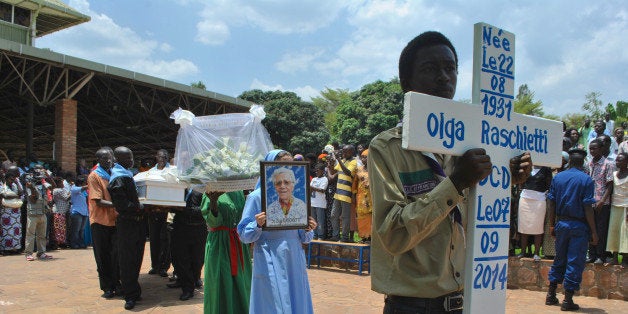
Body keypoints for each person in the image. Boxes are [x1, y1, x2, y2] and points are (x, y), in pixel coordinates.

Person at [368, 31, 532, 313]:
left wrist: (505, 180)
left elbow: (476, 216)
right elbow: (393, 234)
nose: (444, 77)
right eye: (430, 69)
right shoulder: (388, 147)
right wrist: (455, 183)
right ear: (407, 83)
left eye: (450, 68)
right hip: (413, 306)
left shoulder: (471, 145)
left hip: (466, 301)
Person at [237, 149, 318, 314]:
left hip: (294, 255)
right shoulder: (256, 197)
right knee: (272, 302)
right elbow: (244, 235)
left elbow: (304, 236)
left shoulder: (299, 198)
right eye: (280, 164)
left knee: (296, 298)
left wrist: (308, 228)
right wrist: (257, 224)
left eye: (289, 165)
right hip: (269, 254)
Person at [545, 149, 597, 311]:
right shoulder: (586, 180)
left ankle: (551, 294)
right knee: (575, 260)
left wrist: (552, 225)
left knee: (559, 258)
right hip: (579, 226)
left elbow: (551, 203)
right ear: (582, 163)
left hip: (562, 224)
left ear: (569, 162)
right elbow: (587, 207)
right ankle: (568, 300)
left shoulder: (558, 178)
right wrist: (594, 231)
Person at [107, 147, 146, 310]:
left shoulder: (127, 175)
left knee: (136, 257)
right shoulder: (119, 178)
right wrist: (140, 207)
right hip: (127, 222)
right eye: (128, 158)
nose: (131, 160)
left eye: (131, 157)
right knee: (128, 259)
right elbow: (122, 205)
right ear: (118, 159)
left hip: (136, 222)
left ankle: (134, 290)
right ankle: (129, 295)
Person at [202, 190, 252, 313]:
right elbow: (212, 222)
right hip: (219, 244)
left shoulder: (239, 192)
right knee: (221, 283)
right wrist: (213, 201)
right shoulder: (209, 191)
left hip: (238, 241)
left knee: (242, 283)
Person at [88, 147, 120, 298]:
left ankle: (116, 283)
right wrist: (118, 204)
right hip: (100, 221)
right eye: (105, 159)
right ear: (98, 160)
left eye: (110, 158)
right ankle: (107, 286)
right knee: (102, 256)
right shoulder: (95, 176)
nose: (108, 161)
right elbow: (98, 201)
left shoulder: (113, 174)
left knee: (115, 255)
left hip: (114, 221)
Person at [167, 188, 207, 301]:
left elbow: (205, 210)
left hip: (198, 229)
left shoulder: (203, 190)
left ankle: (194, 280)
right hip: (181, 228)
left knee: (197, 260)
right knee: (181, 259)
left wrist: (184, 208)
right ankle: (187, 288)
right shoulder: (181, 190)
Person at [586, 139, 614, 264]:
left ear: (601, 149)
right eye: (590, 149)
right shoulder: (589, 163)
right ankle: (591, 254)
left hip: (602, 203)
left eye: (594, 148)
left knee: (601, 229)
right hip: (589, 202)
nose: (592, 151)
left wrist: (602, 201)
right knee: (590, 229)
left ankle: (600, 255)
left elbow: (610, 185)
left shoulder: (608, 164)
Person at [517, 166, 552, 261]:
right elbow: (520, 181)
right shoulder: (527, 166)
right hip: (525, 199)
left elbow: (549, 185)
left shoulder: (547, 169)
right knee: (523, 226)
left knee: (538, 227)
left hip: (539, 200)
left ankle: (536, 253)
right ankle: (522, 252)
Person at [147, 149, 171, 277]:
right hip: (154, 210)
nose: (163, 158)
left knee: (165, 239)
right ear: (156, 157)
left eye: (165, 156)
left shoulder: (172, 171)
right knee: (154, 238)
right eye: (161, 156)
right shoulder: (151, 172)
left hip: (167, 210)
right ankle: (154, 265)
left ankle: (164, 266)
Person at [24, 166, 56, 261]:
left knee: (42, 235)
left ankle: (41, 253)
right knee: (30, 234)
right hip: (33, 214)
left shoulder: (44, 184)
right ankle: (28, 253)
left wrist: (47, 176)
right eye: (39, 172)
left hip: (42, 213)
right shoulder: (29, 185)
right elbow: (33, 200)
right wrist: (32, 187)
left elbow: (53, 186)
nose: (41, 173)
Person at [329, 144, 358, 242]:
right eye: (343, 151)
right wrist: (331, 163)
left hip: (346, 194)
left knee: (345, 217)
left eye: (346, 151)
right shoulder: (343, 160)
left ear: (352, 152)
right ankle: (336, 235)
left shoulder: (354, 162)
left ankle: (344, 237)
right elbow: (334, 171)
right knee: (333, 215)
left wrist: (339, 159)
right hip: (338, 193)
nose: (344, 153)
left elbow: (348, 172)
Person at [606, 152, 628, 266]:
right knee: (613, 231)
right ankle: (614, 257)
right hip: (614, 206)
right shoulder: (614, 174)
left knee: (625, 233)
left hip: (626, 207)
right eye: (617, 160)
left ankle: (624, 259)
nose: (617, 162)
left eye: (620, 160)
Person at [0, 166, 23, 254]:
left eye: (13, 179)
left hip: (16, 213)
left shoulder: (14, 185)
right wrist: (16, 196)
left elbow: (21, 192)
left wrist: (17, 183)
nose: (12, 181)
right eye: (10, 179)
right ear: (6, 179)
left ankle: (15, 248)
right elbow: (5, 196)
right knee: (6, 231)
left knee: (16, 231)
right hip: (6, 212)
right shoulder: (2, 186)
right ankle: (5, 249)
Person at [353, 149, 372, 242]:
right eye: (362, 157)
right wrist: (354, 196)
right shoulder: (359, 169)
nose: (364, 159)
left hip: (371, 198)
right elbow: (355, 184)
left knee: (370, 218)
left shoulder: (374, 170)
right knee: (361, 218)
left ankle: (370, 237)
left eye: (366, 157)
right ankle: (363, 237)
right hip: (360, 198)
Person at [69, 175, 88, 249]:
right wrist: (90, 183)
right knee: (76, 230)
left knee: (82, 230)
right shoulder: (74, 189)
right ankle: (74, 244)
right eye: (84, 182)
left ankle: (81, 243)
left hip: (84, 212)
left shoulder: (84, 192)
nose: (85, 183)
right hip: (77, 212)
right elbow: (83, 188)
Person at [310, 163, 328, 239]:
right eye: (316, 171)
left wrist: (312, 188)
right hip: (312, 202)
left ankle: (321, 236)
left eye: (318, 171)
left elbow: (322, 190)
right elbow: (310, 188)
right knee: (313, 221)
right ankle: (314, 235)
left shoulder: (325, 179)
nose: (316, 172)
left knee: (320, 221)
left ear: (323, 171)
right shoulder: (314, 179)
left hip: (320, 203)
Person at [51, 177, 70, 248]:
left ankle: (60, 242)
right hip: (59, 212)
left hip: (61, 212)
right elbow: (66, 198)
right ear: (58, 183)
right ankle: (59, 243)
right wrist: (72, 191)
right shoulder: (58, 190)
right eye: (61, 183)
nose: (63, 184)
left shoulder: (58, 190)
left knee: (60, 228)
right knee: (59, 229)